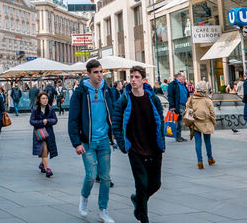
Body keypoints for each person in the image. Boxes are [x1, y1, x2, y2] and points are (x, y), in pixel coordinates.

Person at [112, 66, 164, 223]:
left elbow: (160, 121)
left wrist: (161, 142)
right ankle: (144, 218)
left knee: (155, 184)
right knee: (141, 185)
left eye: (136, 77)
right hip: (135, 149)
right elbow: (116, 123)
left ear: (143, 80)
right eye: (131, 77)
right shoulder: (124, 100)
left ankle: (137, 201)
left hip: (154, 148)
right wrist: (123, 145)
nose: (133, 80)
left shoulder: (153, 99)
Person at [68, 59, 115, 223]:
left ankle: (103, 210)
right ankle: (84, 197)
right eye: (96, 72)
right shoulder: (81, 92)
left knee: (106, 178)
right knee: (90, 175)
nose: (100, 75)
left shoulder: (107, 90)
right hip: (86, 141)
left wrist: (114, 135)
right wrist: (76, 142)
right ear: (88, 74)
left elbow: (113, 112)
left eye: (101, 71)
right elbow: (72, 119)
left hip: (104, 141)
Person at [186, 80, 216, 169]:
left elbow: (188, 110)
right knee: (207, 142)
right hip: (206, 123)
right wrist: (213, 122)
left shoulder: (191, 99)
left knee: (197, 143)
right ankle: (210, 159)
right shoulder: (207, 100)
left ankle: (200, 162)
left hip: (195, 123)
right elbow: (212, 113)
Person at [30, 91, 58, 177]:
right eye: (43, 98)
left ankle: (42, 164)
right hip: (40, 133)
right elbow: (32, 121)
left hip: (49, 133)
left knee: (48, 150)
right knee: (44, 150)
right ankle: (48, 169)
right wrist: (42, 122)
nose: (45, 100)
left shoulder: (50, 108)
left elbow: (55, 120)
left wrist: (48, 121)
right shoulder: (35, 109)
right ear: (39, 100)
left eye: (46, 98)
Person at [167, 71, 188, 142]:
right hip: (177, 105)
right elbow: (170, 96)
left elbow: (186, 93)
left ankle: (179, 135)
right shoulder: (173, 84)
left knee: (180, 121)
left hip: (183, 105)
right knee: (179, 121)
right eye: (183, 77)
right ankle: (178, 136)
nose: (184, 78)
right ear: (178, 77)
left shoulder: (183, 84)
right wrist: (172, 106)